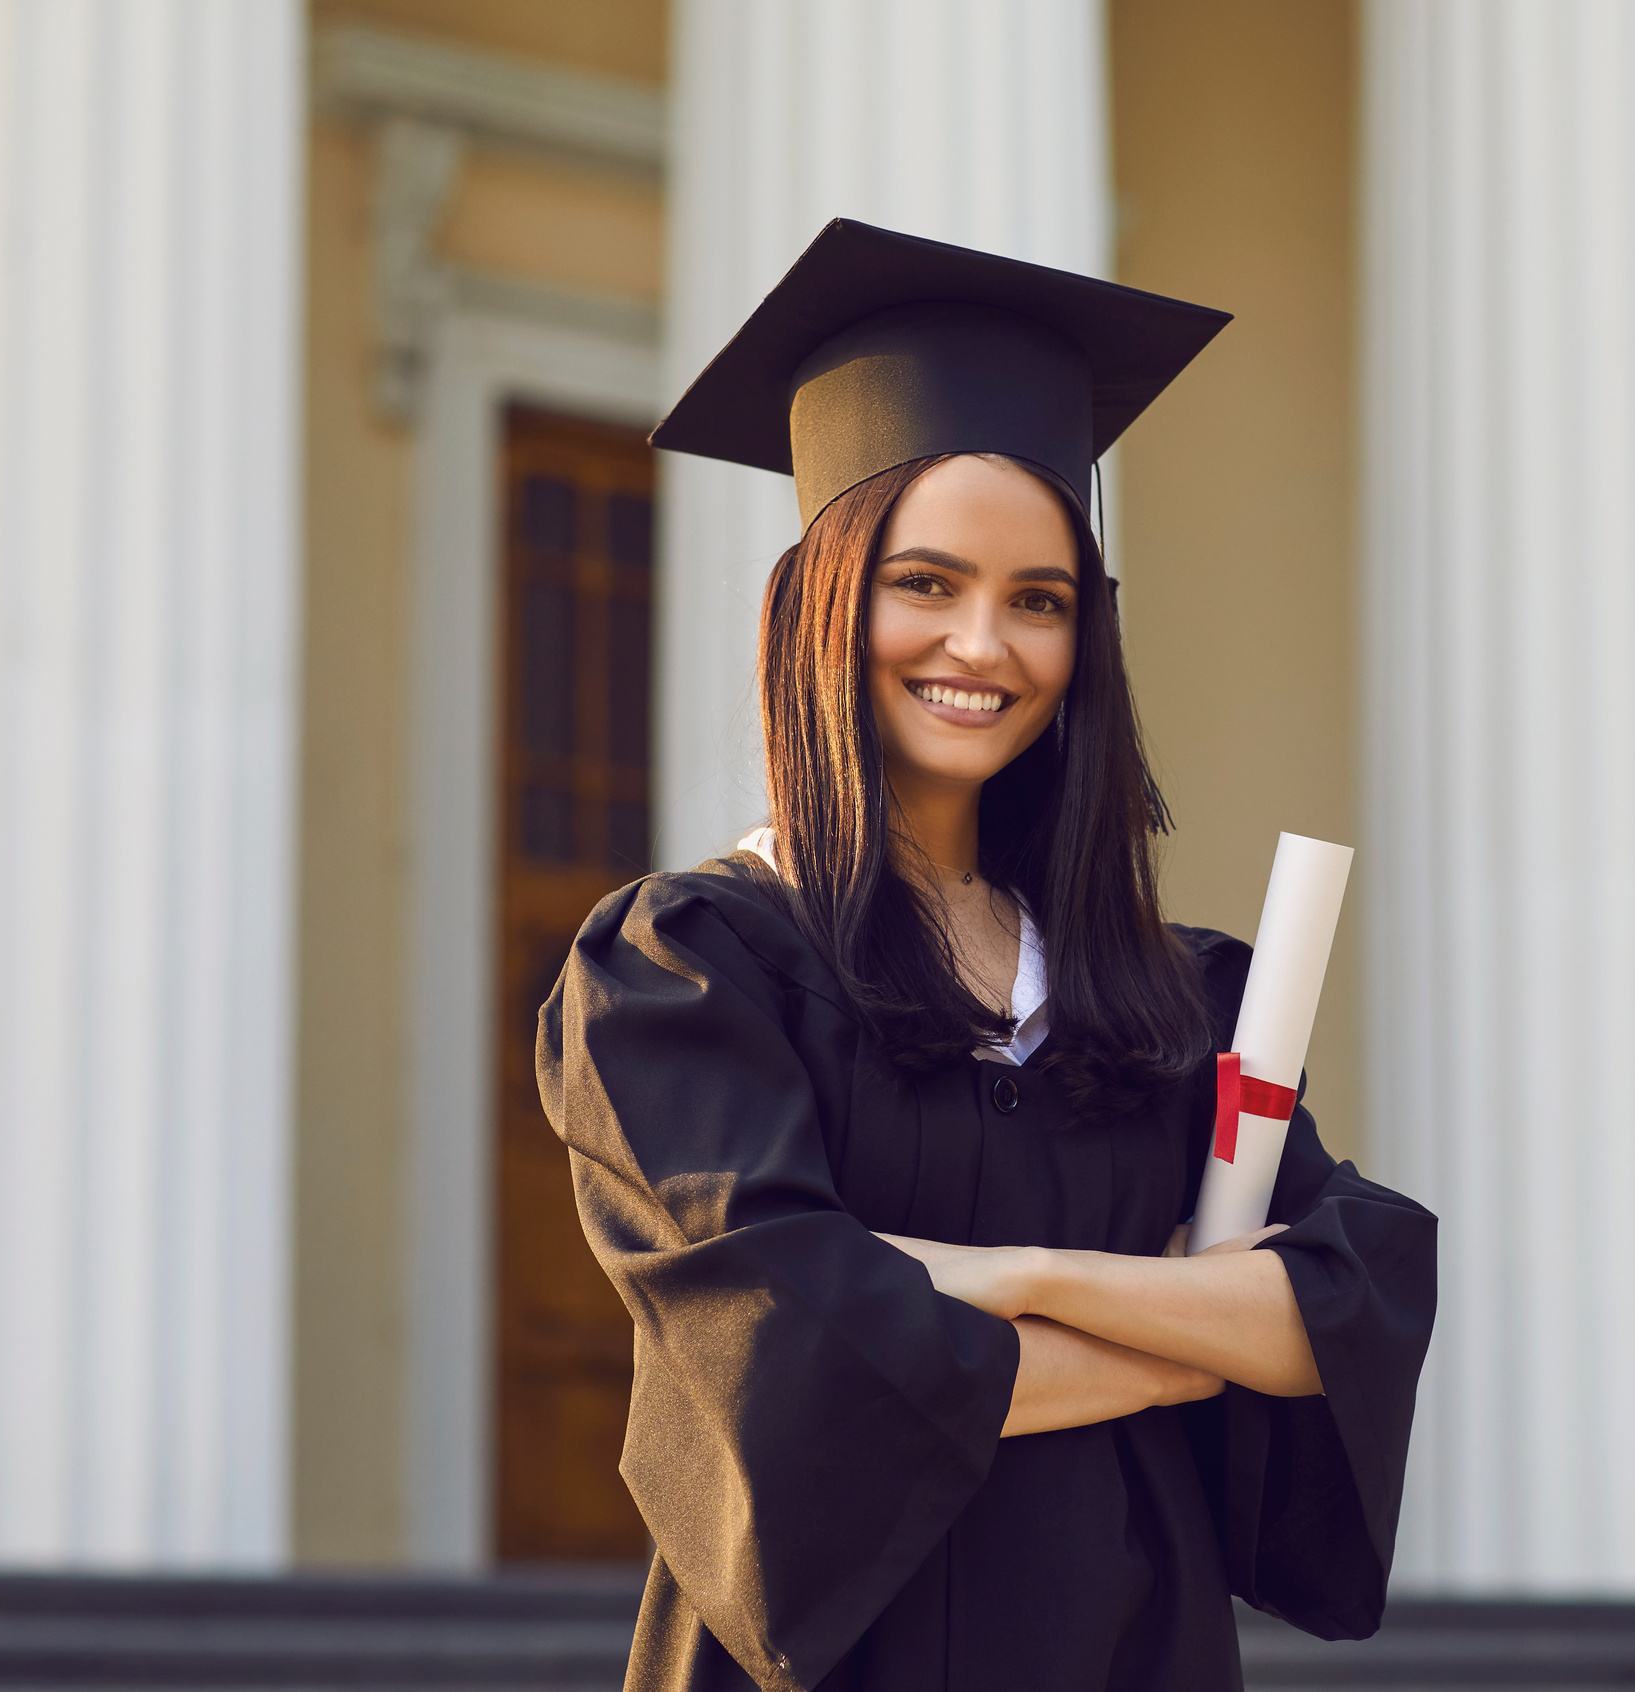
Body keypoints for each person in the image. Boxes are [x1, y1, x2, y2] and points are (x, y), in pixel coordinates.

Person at [537, 220, 1438, 1692]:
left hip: (1130, 1651)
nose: (986, 643)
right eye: (927, 584)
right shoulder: (687, 971)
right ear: (823, 605)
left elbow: (1343, 1308)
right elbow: (792, 1354)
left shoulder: (1172, 997)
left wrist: (996, 1273)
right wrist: (1183, 1333)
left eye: (1040, 600)